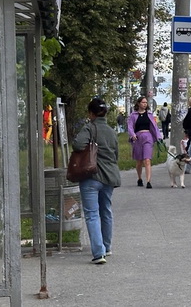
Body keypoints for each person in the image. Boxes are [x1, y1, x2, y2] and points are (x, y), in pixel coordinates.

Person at [73, 98, 121, 265]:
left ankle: (98, 253)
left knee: (92, 214)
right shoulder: (111, 131)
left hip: (91, 177)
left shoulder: (89, 128)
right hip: (109, 177)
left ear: (90, 113)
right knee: (106, 211)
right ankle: (107, 247)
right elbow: (116, 155)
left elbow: (78, 145)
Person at [128, 96, 161, 188]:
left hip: (148, 137)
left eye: (146, 102)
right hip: (137, 138)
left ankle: (148, 181)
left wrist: (158, 137)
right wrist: (133, 135)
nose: (145, 104)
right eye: (143, 102)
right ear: (138, 103)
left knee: (147, 160)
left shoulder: (149, 115)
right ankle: (139, 178)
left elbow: (155, 127)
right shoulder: (133, 115)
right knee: (139, 161)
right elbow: (130, 126)